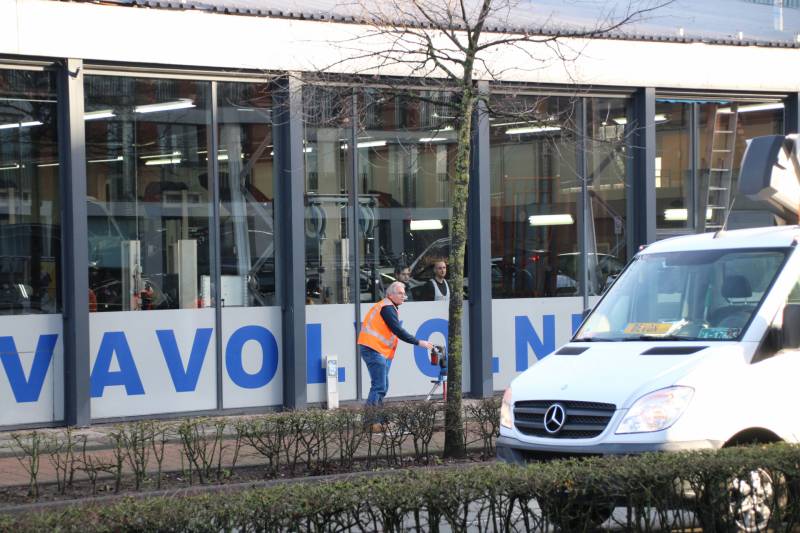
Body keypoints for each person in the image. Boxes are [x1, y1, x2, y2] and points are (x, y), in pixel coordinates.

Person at [357, 281, 433, 423]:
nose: (403, 296)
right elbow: (398, 331)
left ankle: (377, 419)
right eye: (400, 293)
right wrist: (419, 342)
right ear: (390, 294)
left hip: (377, 349)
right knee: (379, 386)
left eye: (404, 293)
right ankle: (371, 421)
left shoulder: (388, 307)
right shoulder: (387, 307)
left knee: (382, 386)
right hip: (373, 349)